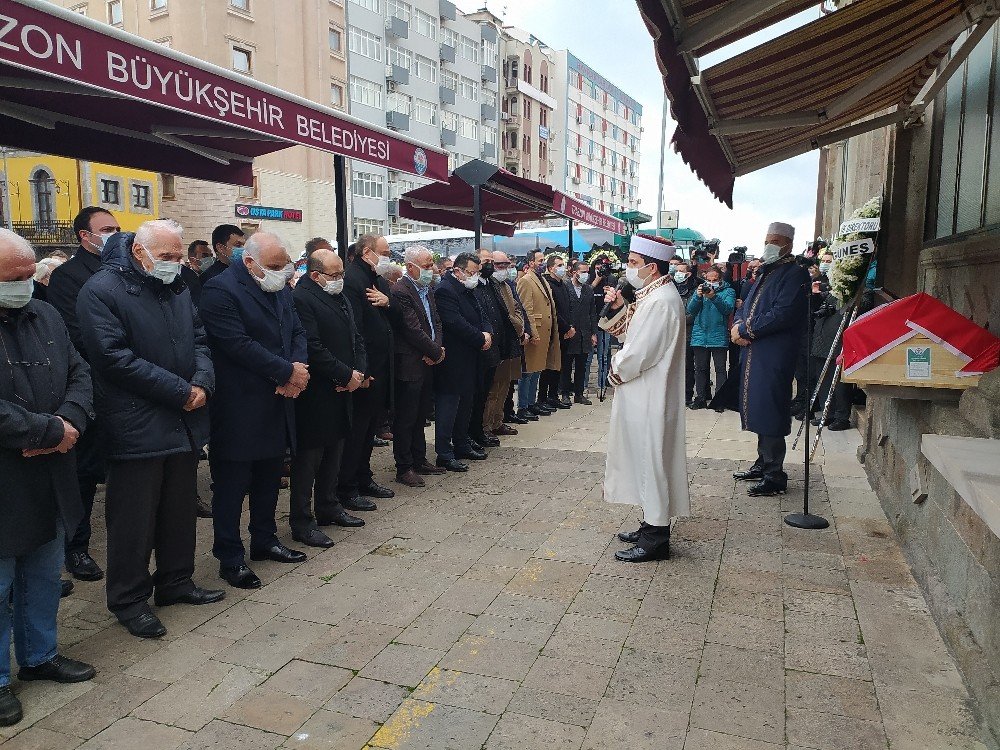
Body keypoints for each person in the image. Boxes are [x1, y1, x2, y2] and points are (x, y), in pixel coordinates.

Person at [76, 221, 223, 639]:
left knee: (178, 509)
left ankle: (176, 581)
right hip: (135, 422)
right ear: (139, 252)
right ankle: (128, 599)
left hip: (183, 418)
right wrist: (182, 391)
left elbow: (199, 340)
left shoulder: (175, 287)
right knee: (133, 520)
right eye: (168, 257)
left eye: (180, 257)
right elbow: (112, 358)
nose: (176, 264)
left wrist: (203, 383)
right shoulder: (102, 291)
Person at [0, 228, 97, 727]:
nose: (24, 286)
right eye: (13, 279)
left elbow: (80, 371)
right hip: (6, 472)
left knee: (42, 573)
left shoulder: (46, 312)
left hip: (53, 466)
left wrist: (71, 422)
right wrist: (45, 428)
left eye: (27, 276)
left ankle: (40, 657)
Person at [200, 231, 309, 590]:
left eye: (284, 266)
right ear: (249, 262)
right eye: (275, 266)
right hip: (239, 404)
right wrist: (285, 371)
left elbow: (297, 331)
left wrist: (297, 368)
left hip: (279, 399)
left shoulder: (279, 288)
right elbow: (236, 344)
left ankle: (265, 539)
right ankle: (230, 557)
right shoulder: (220, 290)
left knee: (269, 475)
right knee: (232, 486)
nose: (281, 273)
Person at [601, 234, 690, 562]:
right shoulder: (652, 295)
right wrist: (617, 307)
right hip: (646, 392)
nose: (628, 269)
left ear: (652, 268)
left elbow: (639, 352)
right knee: (644, 458)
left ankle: (656, 538)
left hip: (650, 392)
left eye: (634, 263)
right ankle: (650, 522)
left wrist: (615, 367)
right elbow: (628, 333)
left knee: (651, 460)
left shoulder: (661, 300)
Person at [46, 206, 121, 583]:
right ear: (84, 236)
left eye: (116, 228)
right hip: (93, 386)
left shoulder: (122, 270)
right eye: (105, 229)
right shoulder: (68, 277)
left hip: (126, 387)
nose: (113, 234)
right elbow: (81, 336)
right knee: (85, 473)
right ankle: (75, 547)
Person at [290, 244, 368, 546]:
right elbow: (312, 346)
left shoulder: (340, 296)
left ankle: (329, 506)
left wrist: (357, 372)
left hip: (344, 387)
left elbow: (356, 337)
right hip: (318, 391)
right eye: (333, 274)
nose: (339, 278)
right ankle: (302, 520)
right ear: (315, 274)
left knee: (334, 453)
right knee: (309, 461)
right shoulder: (302, 299)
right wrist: (345, 374)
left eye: (341, 273)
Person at [732, 222, 810, 496]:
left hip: (775, 351)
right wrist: (739, 325)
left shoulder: (795, 273)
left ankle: (775, 474)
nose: (769, 245)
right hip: (755, 349)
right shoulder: (766, 271)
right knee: (756, 405)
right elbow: (745, 304)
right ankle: (762, 462)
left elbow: (783, 313)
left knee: (771, 406)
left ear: (787, 244)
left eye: (774, 240)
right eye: (767, 239)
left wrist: (746, 329)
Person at [339, 233, 397, 511]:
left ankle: (364, 476)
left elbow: (391, 310)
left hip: (381, 365)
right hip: (366, 368)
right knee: (358, 430)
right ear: (366, 252)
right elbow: (356, 328)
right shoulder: (353, 279)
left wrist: (389, 302)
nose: (387, 256)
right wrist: (362, 369)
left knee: (369, 428)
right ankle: (347, 486)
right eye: (383, 252)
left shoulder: (377, 278)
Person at [391, 246, 446, 487]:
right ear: (410, 267)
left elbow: (435, 321)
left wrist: (438, 349)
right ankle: (404, 467)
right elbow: (411, 328)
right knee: (406, 417)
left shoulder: (427, 289)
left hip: (429, 359)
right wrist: (433, 351)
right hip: (410, 362)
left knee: (421, 414)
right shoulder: (401, 291)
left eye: (431, 264)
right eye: (425, 266)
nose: (431, 269)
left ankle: (419, 458)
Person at [434, 252, 492, 471]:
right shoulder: (445, 290)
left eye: (476, 273)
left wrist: (488, 332)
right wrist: (480, 338)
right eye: (471, 272)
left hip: (471, 355)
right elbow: (454, 322)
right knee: (449, 406)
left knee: (466, 403)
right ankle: (444, 452)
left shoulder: (469, 288)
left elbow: (482, 314)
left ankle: (461, 443)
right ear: (457, 270)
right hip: (453, 358)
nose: (474, 277)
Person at [483, 251, 528, 436]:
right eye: (500, 265)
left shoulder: (507, 285)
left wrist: (520, 327)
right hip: (498, 343)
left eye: (507, 265)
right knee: (493, 390)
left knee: (505, 386)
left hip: (511, 341)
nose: (504, 269)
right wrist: (516, 323)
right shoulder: (488, 286)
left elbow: (518, 308)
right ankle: (486, 426)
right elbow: (502, 315)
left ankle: (497, 422)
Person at [468, 249, 507, 448]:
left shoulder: (491, 283)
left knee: (485, 392)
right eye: (486, 261)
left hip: (494, 347)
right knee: (476, 394)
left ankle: (479, 431)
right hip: (479, 347)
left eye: (492, 261)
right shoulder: (473, 285)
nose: (490, 265)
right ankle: (473, 432)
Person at [516, 251, 560, 419]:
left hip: (545, 331)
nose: (542, 263)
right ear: (531, 263)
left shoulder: (543, 280)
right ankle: (523, 406)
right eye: (540, 260)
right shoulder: (526, 280)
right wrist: (531, 331)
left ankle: (532, 403)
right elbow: (525, 308)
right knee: (528, 371)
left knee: (537, 370)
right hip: (536, 331)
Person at [687, 267, 735, 409]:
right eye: (709, 280)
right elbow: (691, 310)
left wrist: (713, 296)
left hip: (718, 335)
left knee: (720, 369)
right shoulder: (699, 291)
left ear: (721, 279)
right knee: (700, 369)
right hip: (699, 335)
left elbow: (727, 309)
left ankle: (719, 400)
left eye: (715, 280)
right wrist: (697, 296)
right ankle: (700, 398)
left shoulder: (729, 291)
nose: (711, 283)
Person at [561, 260, 598, 405]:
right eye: (583, 272)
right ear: (575, 272)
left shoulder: (588, 289)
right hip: (570, 331)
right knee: (566, 365)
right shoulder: (565, 286)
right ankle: (564, 393)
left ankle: (579, 393)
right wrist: (566, 328)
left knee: (582, 366)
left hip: (585, 332)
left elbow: (592, 313)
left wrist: (593, 332)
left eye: (587, 272)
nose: (585, 275)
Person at [540, 255, 573, 410]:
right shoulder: (548, 285)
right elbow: (554, 311)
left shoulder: (563, 284)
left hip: (566, 331)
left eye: (563, 265)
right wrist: (565, 327)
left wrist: (570, 327)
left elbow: (567, 308)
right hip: (554, 330)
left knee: (560, 365)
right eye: (559, 265)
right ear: (551, 268)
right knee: (549, 366)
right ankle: (543, 397)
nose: (563, 268)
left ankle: (554, 395)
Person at [671, 261, 699, 407]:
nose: (678, 273)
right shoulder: (671, 288)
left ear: (688, 274)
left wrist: (677, 319)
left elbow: (692, 312)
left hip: (687, 333)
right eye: (676, 270)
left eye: (681, 271)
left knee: (688, 366)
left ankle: (687, 395)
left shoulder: (693, 291)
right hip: (672, 334)